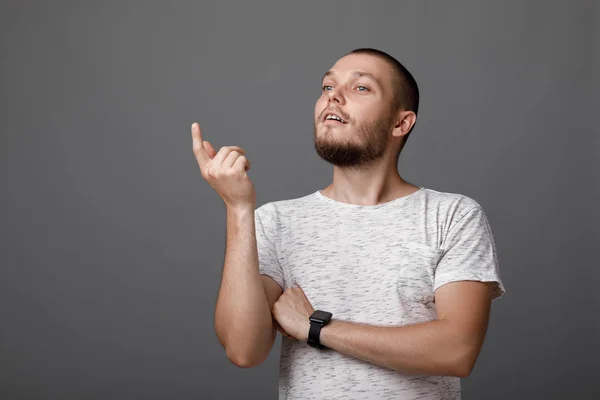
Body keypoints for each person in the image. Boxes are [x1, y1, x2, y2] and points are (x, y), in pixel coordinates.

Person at [191, 48, 505, 400]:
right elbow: (243, 350)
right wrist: (237, 209)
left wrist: (318, 328)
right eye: (327, 86)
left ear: (400, 123)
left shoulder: (452, 216)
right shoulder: (276, 221)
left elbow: (456, 351)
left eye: (361, 88)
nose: (333, 97)